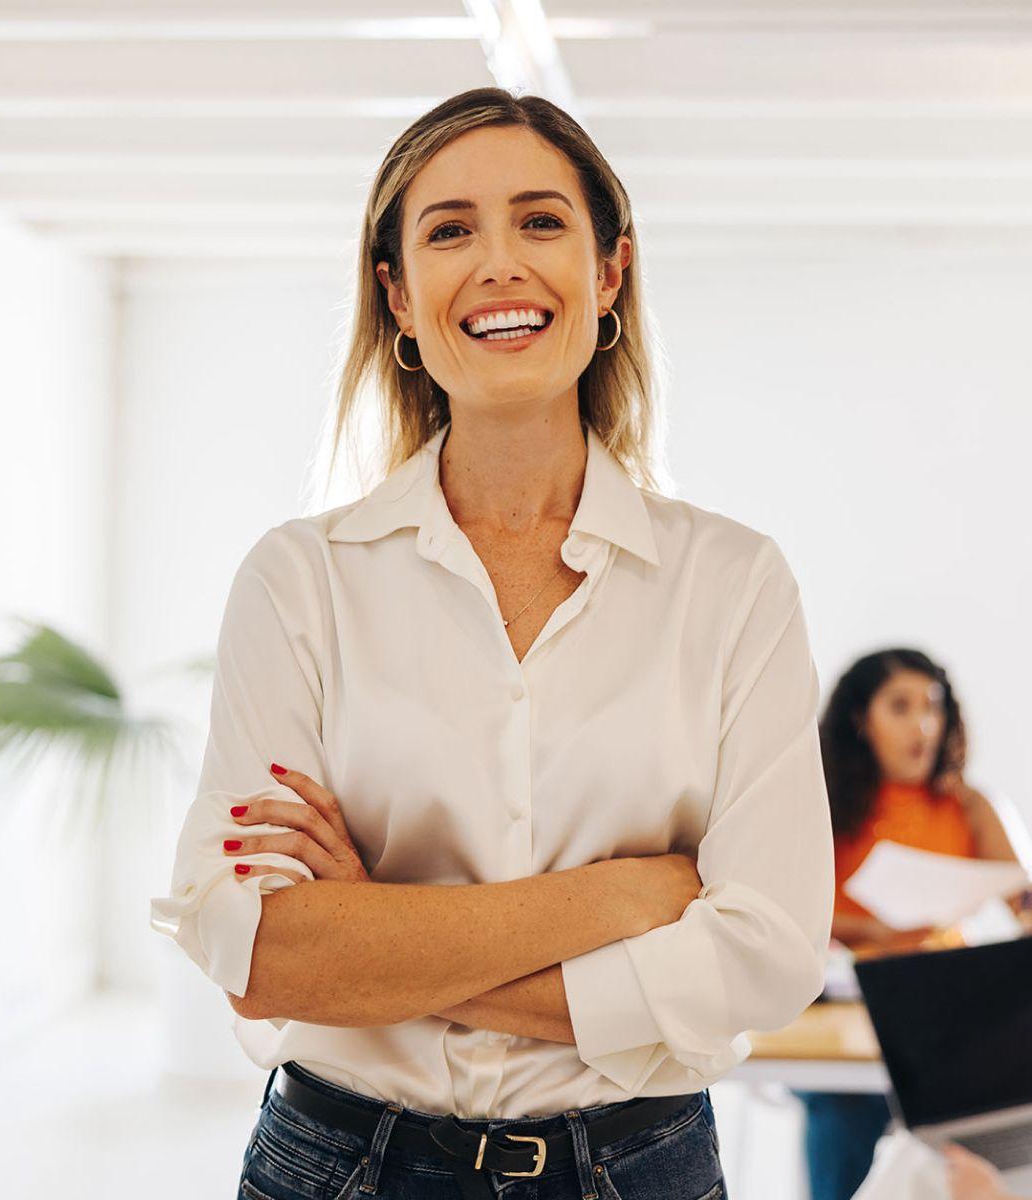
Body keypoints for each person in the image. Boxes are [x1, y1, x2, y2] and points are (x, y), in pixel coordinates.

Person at [150, 86, 836, 1200]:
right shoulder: (301, 580)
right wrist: (626, 896)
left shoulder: (731, 584)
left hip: (638, 1166)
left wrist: (376, 941)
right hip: (339, 1163)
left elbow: (761, 957)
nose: (499, 264)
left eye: (541, 221)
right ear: (399, 296)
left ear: (608, 272)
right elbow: (258, 948)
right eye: (450, 230)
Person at [794, 648, 1028, 1200]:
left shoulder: (969, 805)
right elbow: (788, 910)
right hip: (845, 1005)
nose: (922, 724)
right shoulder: (822, 806)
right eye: (900, 707)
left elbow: (1021, 897)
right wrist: (870, 934)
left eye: (933, 707)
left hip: (943, 1008)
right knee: (844, 1111)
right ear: (861, 719)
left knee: (958, 1124)